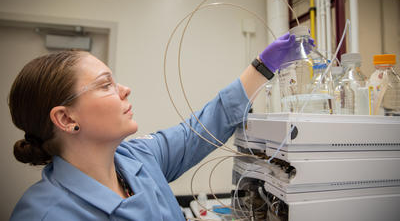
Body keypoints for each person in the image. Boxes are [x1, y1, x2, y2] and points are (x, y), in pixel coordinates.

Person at [9, 33, 296, 220]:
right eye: (105, 84)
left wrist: (263, 66)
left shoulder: (137, 157)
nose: (125, 89)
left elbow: (200, 129)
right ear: (67, 119)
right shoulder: (42, 214)